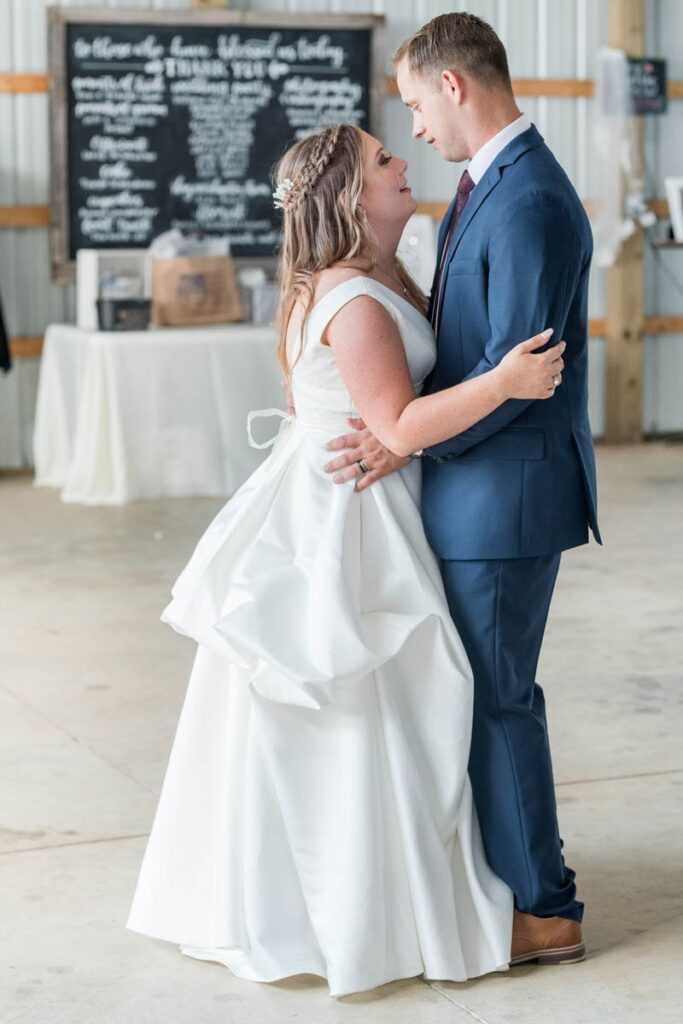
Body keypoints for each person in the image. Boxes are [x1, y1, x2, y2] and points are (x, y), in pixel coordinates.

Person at [126, 121, 566, 998]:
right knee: (361, 707)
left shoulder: (384, 273)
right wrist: (503, 385)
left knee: (393, 708)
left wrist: (391, 435)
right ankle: (359, 908)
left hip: (369, 492)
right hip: (347, 521)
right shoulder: (353, 298)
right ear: (348, 197)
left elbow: (352, 408)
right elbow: (397, 422)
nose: (403, 161)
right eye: (381, 160)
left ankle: (391, 887)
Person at [323, 13, 600, 967]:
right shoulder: (484, 186)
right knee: (483, 693)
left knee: (496, 698)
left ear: (454, 85)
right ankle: (510, 876)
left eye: (413, 104)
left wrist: (403, 442)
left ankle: (544, 906)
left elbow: (518, 373)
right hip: (474, 486)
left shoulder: (527, 200)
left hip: (504, 494)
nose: (414, 132)